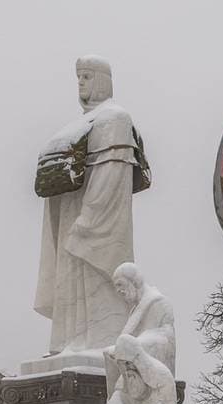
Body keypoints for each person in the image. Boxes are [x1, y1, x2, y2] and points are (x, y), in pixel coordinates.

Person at [34, 56, 152, 356]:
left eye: (87, 77)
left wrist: (89, 220)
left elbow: (112, 176)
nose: (81, 83)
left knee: (98, 288)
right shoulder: (81, 124)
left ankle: (96, 342)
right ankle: (74, 343)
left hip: (95, 224)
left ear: (102, 80)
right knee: (72, 292)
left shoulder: (115, 118)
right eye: (78, 78)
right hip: (74, 218)